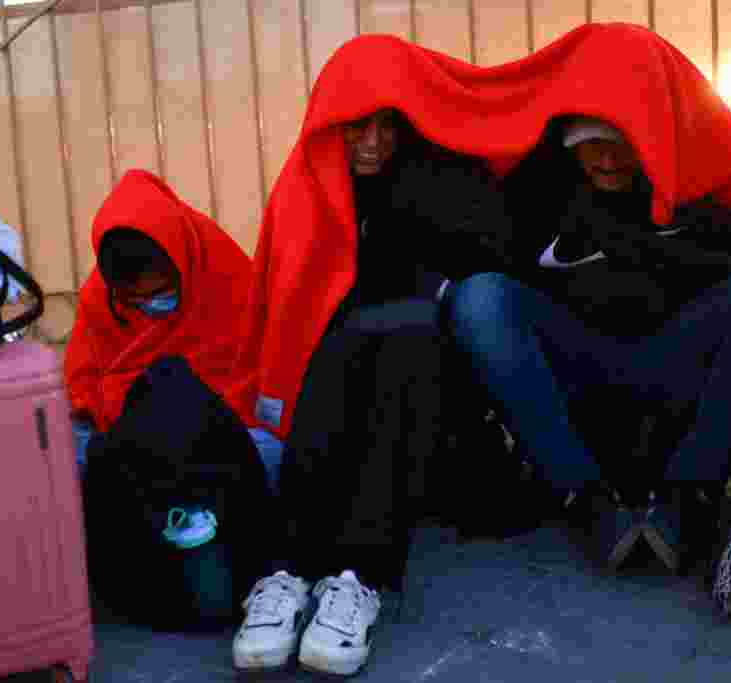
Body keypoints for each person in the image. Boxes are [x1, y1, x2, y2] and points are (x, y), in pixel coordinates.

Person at [226, 51, 518, 676]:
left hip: (420, 365)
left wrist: (416, 270)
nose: (373, 142)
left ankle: (357, 577)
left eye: (388, 125)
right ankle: (290, 573)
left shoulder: (437, 177)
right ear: (331, 124)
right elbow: (285, 302)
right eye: (357, 126)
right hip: (330, 362)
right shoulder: (303, 186)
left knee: (405, 331)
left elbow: (485, 255)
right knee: (356, 345)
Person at [448, 108, 731, 573]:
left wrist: (658, 252)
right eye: (593, 142)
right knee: (479, 296)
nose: (609, 157)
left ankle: (690, 494)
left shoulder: (715, 182)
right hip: (581, 362)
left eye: (625, 141)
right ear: (569, 144)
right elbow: (492, 277)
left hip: (682, 359)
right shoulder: (536, 187)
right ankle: (584, 497)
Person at [64, 169, 253, 479]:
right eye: (135, 300)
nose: (150, 305)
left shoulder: (222, 271)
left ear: (182, 265)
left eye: (160, 293)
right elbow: (82, 382)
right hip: (132, 429)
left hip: (222, 417)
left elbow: (256, 368)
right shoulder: (101, 298)